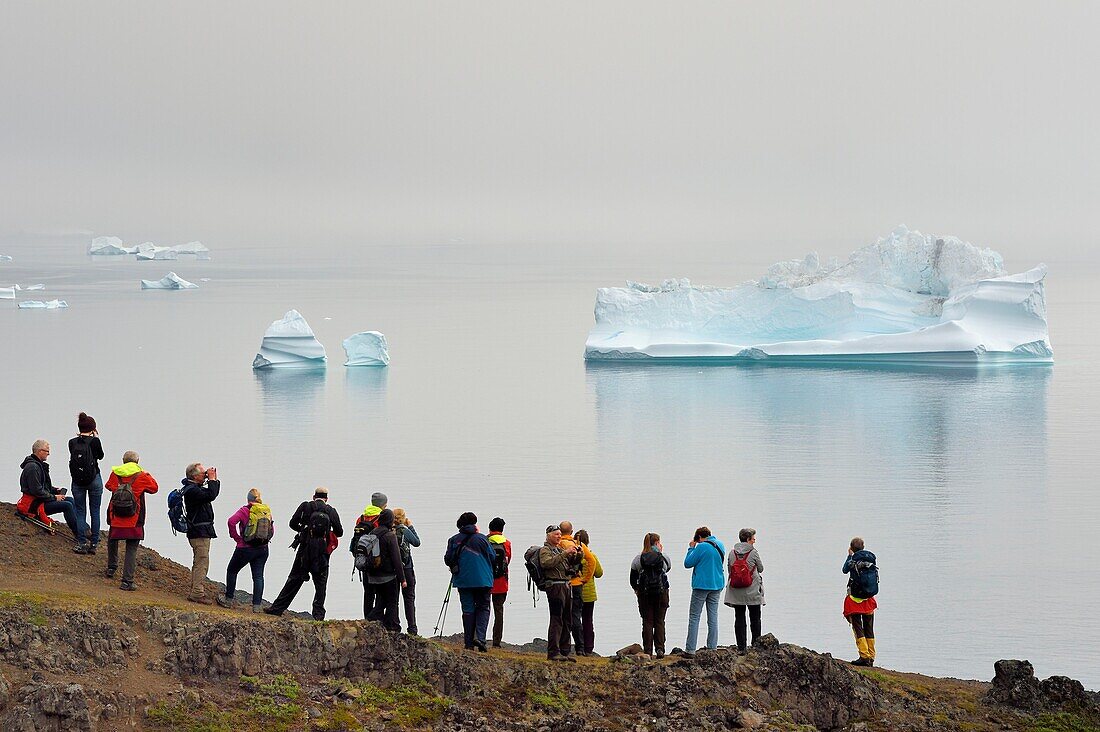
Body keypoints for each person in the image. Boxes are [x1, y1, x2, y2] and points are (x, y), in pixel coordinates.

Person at [266, 487, 344, 620]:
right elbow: (340, 532)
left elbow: (292, 523)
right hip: (322, 552)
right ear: (327, 498)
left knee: (294, 579)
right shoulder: (331, 510)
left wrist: (303, 530)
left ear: (314, 496)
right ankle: (318, 616)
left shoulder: (306, 506)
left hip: (304, 549)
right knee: (320, 584)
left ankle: (277, 609)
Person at [103, 451, 159, 590]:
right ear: (137, 461)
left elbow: (109, 486)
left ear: (123, 461)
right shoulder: (142, 476)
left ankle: (111, 567)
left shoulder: (115, 473)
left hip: (115, 515)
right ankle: (127, 581)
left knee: (112, 540)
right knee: (131, 548)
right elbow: (154, 488)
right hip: (134, 517)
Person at [19, 439, 86, 552]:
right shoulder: (33, 467)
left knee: (70, 500)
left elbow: (42, 487)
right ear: (40, 451)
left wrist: (55, 490)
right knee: (67, 505)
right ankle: (80, 536)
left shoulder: (38, 465)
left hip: (40, 500)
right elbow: (36, 491)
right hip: (33, 505)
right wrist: (55, 497)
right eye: (47, 451)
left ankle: (82, 529)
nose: (48, 454)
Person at [443, 512, 495, 652]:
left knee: (467, 609)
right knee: (483, 607)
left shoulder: (453, 540)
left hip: (463, 580)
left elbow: (448, 559)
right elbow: (492, 556)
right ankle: (480, 638)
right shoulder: (482, 539)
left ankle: (468, 643)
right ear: (475, 523)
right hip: (483, 580)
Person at [218, 488, 274, 612]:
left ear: (248, 499)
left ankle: (228, 600)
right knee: (258, 576)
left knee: (232, 570)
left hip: (245, 549)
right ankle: (257, 607)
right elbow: (272, 530)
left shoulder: (245, 510)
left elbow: (231, 521)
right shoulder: (266, 511)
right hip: (263, 549)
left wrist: (237, 538)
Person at [538, 525, 582, 661]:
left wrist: (578, 555)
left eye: (559, 534)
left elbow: (570, 565)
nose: (559, 536)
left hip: (566, 586)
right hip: (555, 587)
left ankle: (565, 651)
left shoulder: (559, 549)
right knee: (557, 619)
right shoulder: (545, 550)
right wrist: (565, 553)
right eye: (556, 534)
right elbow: (546, 563)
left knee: (567, 619)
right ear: (548, 535)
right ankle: (553, 652)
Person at [181, 462, 221, 604]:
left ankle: (195, 590)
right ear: (195, 475)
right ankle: (197, 593)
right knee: (202, 562)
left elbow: (212, 493)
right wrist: (212, 480)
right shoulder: (192, 490)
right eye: (203, 473)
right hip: (199, 532)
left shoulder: (194, 488)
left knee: (199, 561)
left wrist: (213, 480)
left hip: (200, 531)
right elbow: (211, 495)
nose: (205, 474)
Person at [683, 525, 725, 658]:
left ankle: (690, 650)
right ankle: (712, 648)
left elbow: (688, 563)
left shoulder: (701, 547)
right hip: (717, 584)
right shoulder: (720, 545)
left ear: (699, 537)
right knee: (713, 617)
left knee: (694, 617)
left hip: (701, 585)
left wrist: (691, 548)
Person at [68, 413, 105, 554]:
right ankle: (94, 544)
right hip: (94, 478)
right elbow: (100, 456)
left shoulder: (72, 442)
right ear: (93, 428)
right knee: (95, 511)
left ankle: (82, 542)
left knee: (80, 511)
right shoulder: (95, 442)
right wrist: (95, 438)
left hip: (77, 480)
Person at [723, 527, 764, 654]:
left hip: (736, 591)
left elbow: (730, 570)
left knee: (739, 617)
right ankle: (756, 645)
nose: (754, 541)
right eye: (753, 539)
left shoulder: (732, 553)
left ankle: (741, 647)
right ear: (747, 539)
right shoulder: (754, 552)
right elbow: (761, 568)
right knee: (755, 617)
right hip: (752, 591)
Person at [630, 532, 671, 658]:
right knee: (659, 621)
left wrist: (637, 590)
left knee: (647, 621)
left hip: (645, 593)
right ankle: (660, 649)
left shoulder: (639, 558)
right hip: (661, 592)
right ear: (657, 543)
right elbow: (668, 568)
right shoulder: (663, 557)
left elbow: (632, 578)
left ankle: (648, 651)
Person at [365, 508, 406, 631]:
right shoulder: (390, 536)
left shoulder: (372, 533)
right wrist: (402, 578)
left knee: (381, 601)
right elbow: (396, 559)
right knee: (392, 602)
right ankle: (391, 627)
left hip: (373, 576)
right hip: (388, 576)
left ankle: (372, 620)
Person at [559, 520, 594, 655]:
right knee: (576, 616)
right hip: (577, 584)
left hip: (563, 584)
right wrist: (585, 578)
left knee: (562, 616)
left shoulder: (559, 544)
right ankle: (580, 648)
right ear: (571, 532)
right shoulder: (578, 545)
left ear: (559, 532)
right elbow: (591, 561)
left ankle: (564, 647)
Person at [351, 491, 388, 616]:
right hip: (376, 558)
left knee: (368, 591)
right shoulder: (382, 517)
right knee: (380, 590)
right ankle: (377, 618)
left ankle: (367, 618)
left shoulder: (361, 518)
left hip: (362, 557)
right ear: (383, 505)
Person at [843, 537, 879, 667]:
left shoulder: (853, 560)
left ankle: (864, 656)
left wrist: (849, 556)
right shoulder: (871, 559)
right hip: (869, 599)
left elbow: (844, 570)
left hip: (855, 600)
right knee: (869, 628)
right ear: (863, 547)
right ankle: (871, 656)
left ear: (851, 548)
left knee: (858, 628)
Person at [576, 529, 603, 656]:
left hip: (575, 592)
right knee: (588, 620)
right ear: (588, 541)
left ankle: (578, 646)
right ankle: (588, 647)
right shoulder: (592, 556)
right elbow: (599, 573)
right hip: (589, 593)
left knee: (575, 619)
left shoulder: (573, 556)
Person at [394, 508, 421, 635]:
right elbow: (417, 542)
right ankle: (412, 628)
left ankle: (395, 626)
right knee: (409, 598)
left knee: (394, 599)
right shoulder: (404, 530)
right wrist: (410, 526)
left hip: (393, 569)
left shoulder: (390, 530)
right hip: (407, 568)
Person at [486, 516, 511, 647]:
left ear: (490, 528)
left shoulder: (485, 541)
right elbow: (508, 561)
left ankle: (478, 637)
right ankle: (496, 642)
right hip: (501, 582)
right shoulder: (507, 543)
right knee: (499, 611)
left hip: (486, 580)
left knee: (482, 609)